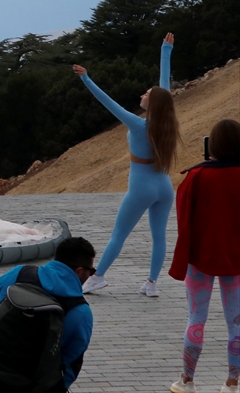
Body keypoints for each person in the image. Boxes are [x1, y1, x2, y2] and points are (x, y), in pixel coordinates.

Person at [75, 32, 181, 295]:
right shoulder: (167, 122)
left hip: (141, 188)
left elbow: (107, 102)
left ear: (151, 102)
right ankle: (152, 284)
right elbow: (164, 86)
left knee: (118, 235)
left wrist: (86, 78)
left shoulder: (138, 124)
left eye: (146, 94)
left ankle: (97, 277)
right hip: (164, 187)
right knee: (159, 237)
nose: (143, 95)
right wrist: (165, 52)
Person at [169, 118, 240, 393]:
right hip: (236, 261)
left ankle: (187, 381)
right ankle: (233, 382)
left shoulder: (196, 176)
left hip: (200, 259)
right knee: (236, 323)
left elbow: (184, 221)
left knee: (196, 319)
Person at [0, 237, 97, 393]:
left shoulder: (17, 274)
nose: (91, 275)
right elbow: (70, 362)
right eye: (92, 271)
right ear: (79, 271)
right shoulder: (80, 311)